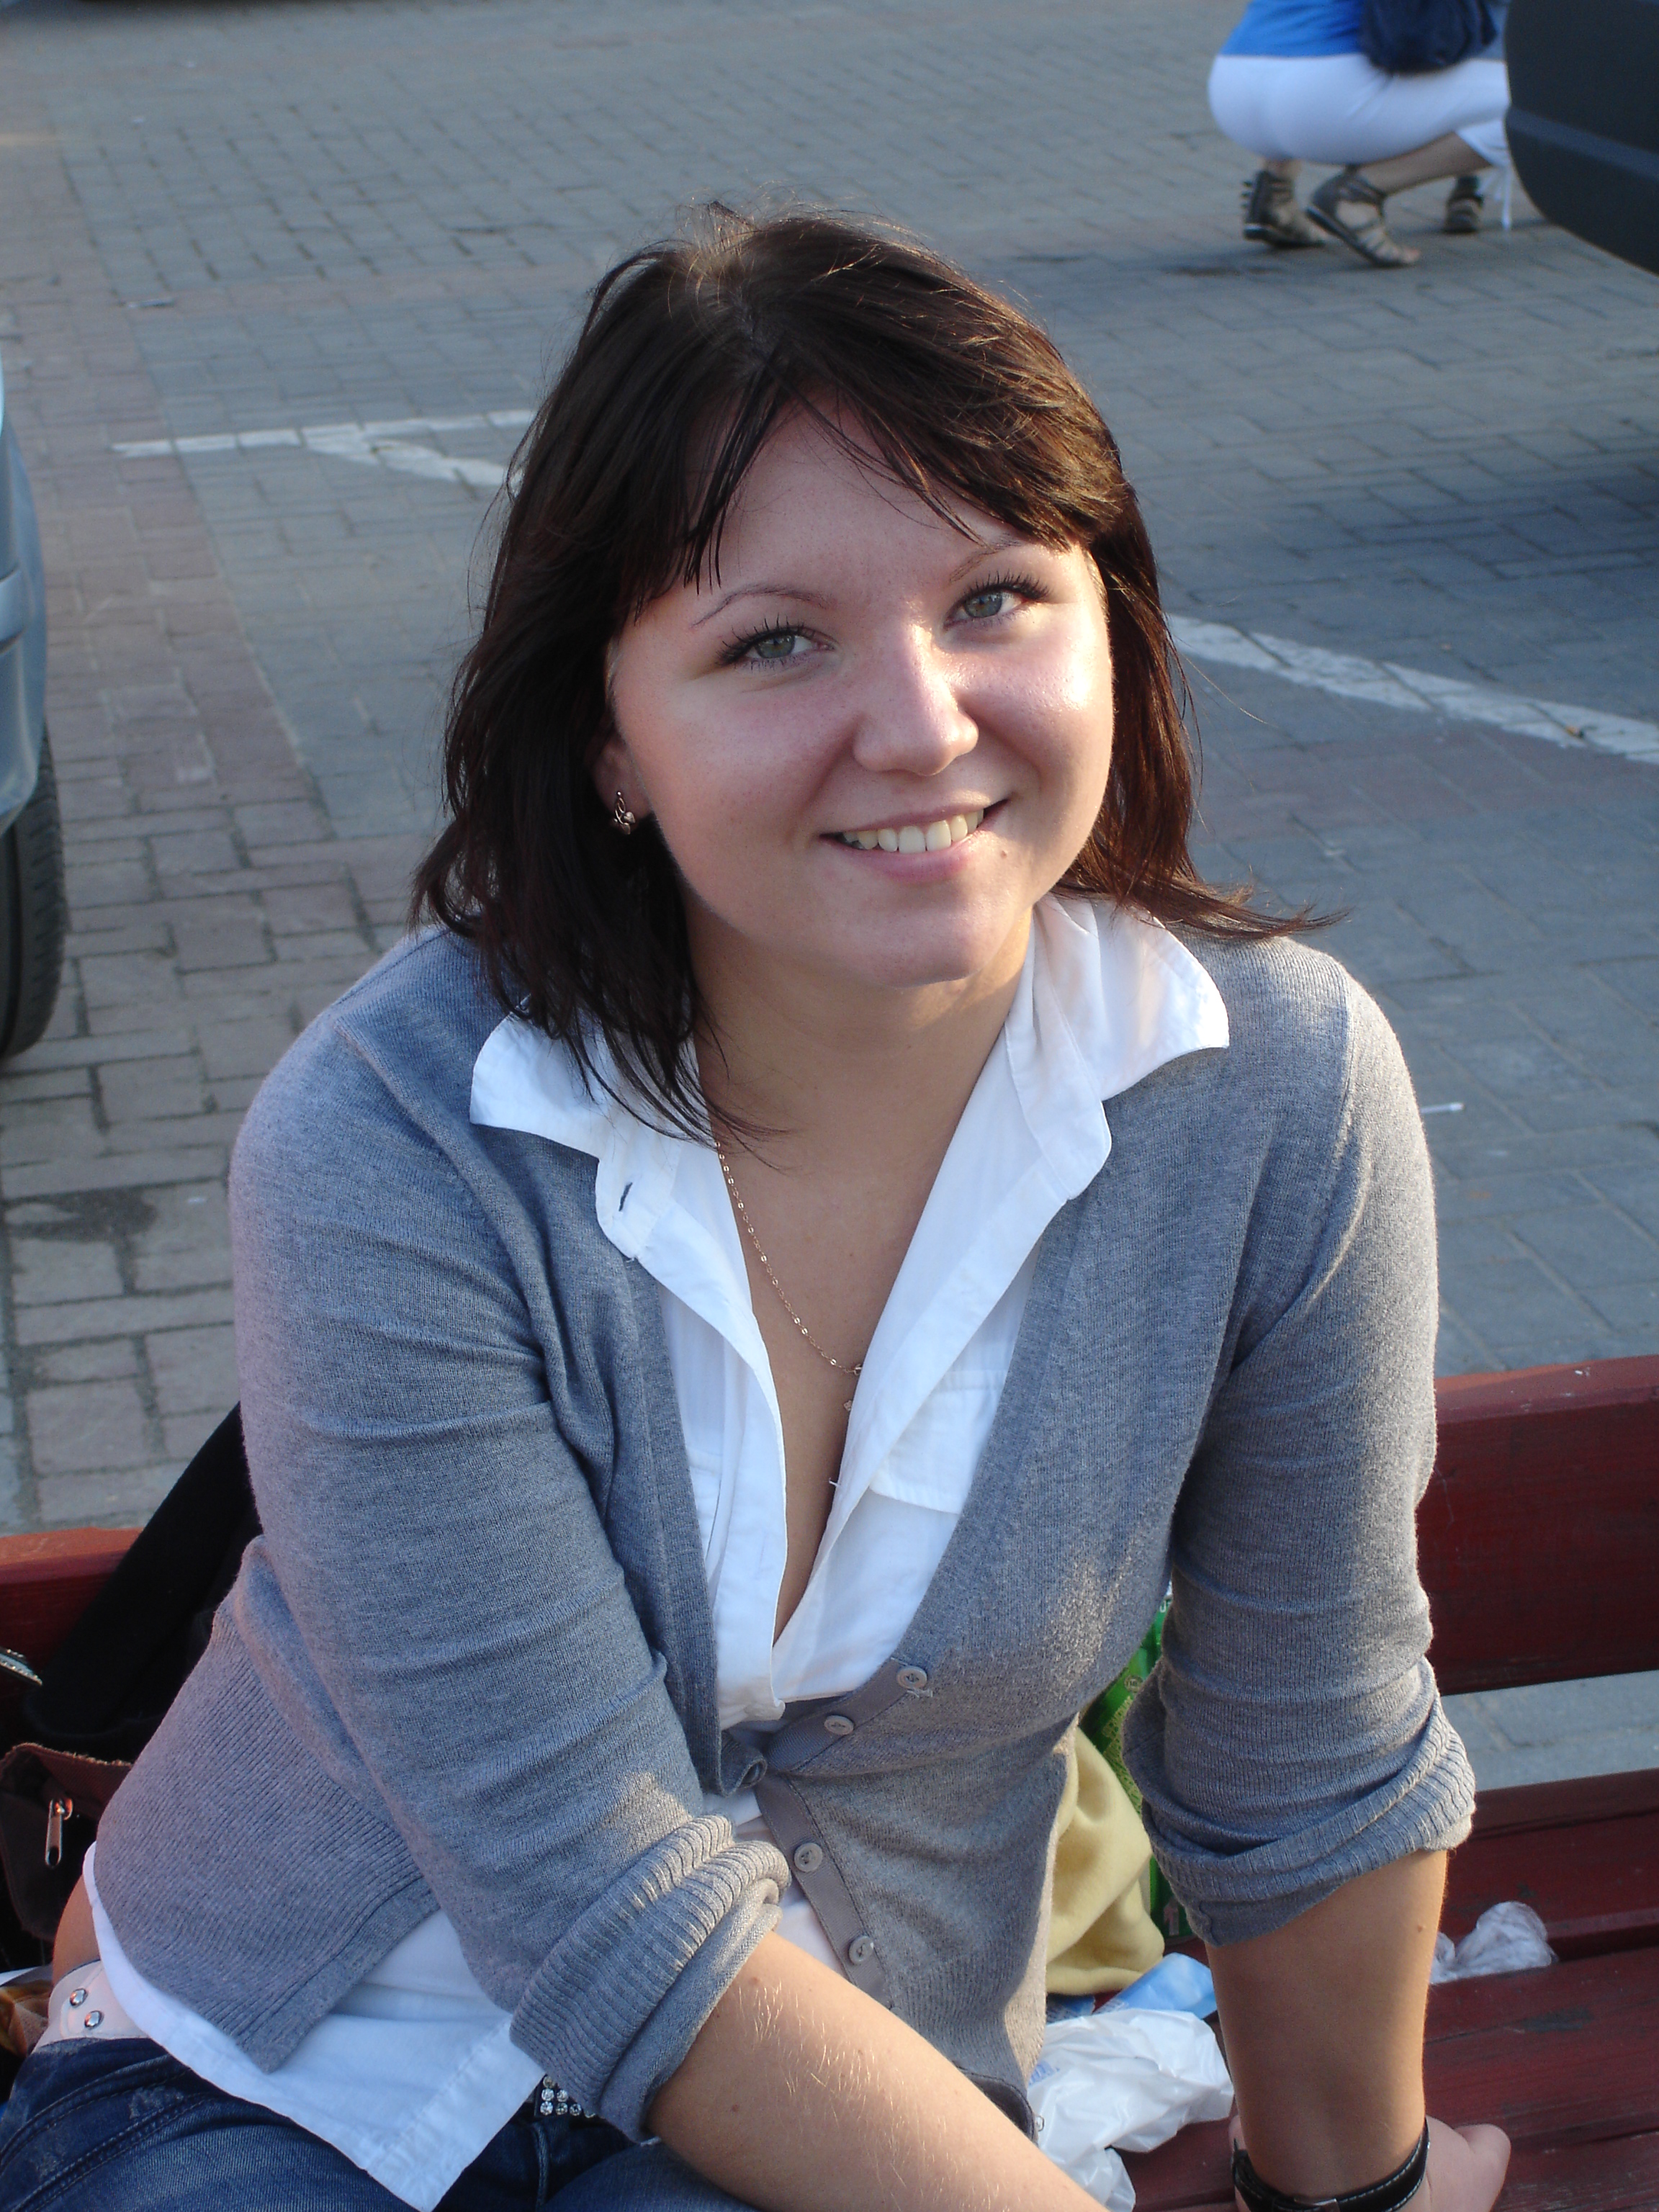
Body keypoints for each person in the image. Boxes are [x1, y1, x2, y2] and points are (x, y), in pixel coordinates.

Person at [0, 209, 1512, 2212]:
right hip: (278, 2070)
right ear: (609, 734)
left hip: (857, 2111)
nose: (922, 721)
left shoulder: (1271, 1093)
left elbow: (1307, 1748)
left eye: (997, 596)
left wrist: (1358, 2196)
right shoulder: (400, 1139)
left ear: (1114, 627)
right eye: (774, 641)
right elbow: (611, 1901)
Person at [1210, 0, 1511, 265]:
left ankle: (1274, 193)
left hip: (1232, 89)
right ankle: (1357, 194)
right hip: (1318, 96)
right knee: (1528, 107)